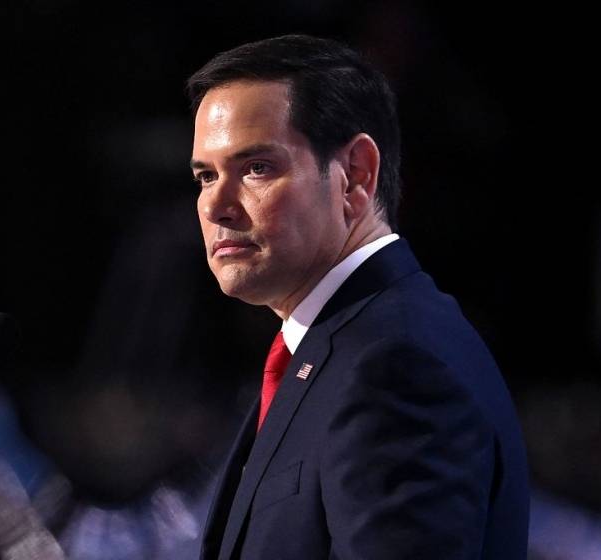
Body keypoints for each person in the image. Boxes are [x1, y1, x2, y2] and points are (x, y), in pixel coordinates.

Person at [187, 34, 529, 559]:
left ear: (355, 175)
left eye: (256, 168)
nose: (216, 205)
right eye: (206, 176)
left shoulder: (396, 364)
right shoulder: (341, 348)